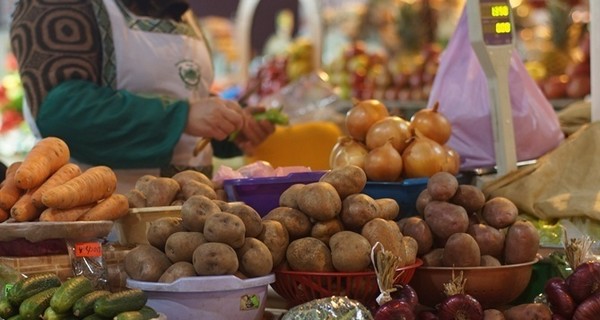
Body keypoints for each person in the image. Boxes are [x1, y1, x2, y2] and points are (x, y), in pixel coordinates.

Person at [10, 0, 275, 192]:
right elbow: (60, 112)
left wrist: (227, 126)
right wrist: (182, 117)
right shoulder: (56, 6)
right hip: (100, 220)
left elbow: (182, 93)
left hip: (192, 218)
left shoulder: (182, 12)